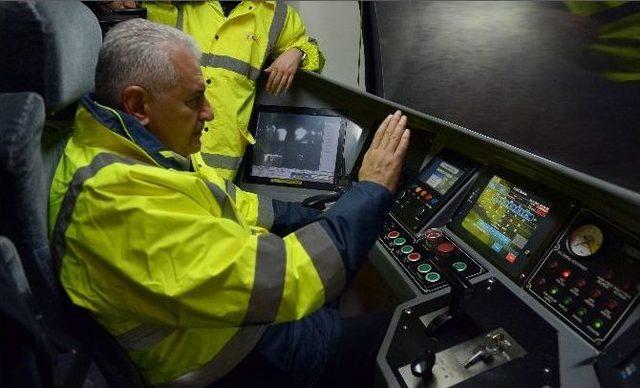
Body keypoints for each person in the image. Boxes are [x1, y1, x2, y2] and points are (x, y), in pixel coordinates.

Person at [49, 19, 409, 387]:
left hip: (231, 327)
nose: (209, 112)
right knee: (410, 337)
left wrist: (317, 215)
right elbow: (283, 280)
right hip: (229, 362)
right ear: (138, 103)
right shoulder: (117, 202)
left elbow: (231, 201)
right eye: (193, 100)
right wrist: (371, 189)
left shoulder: (128, 150)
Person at [108, 0, 325, 179]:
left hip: (224, 151)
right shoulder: (183, 4)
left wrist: (298, 52)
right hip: (172, 140)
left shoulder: (276, 12)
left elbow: (313, 51)